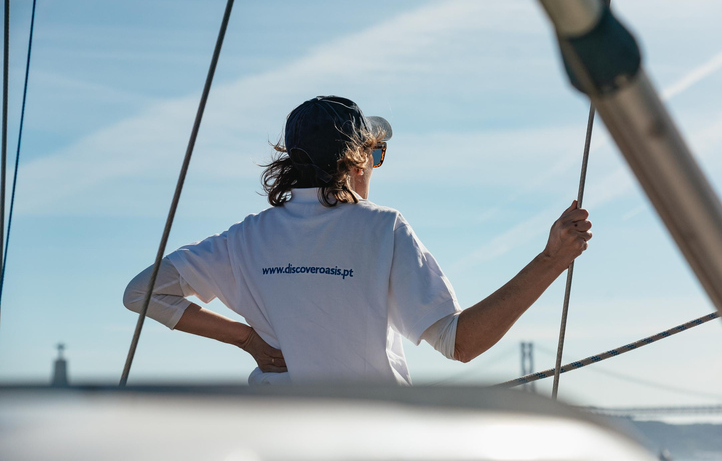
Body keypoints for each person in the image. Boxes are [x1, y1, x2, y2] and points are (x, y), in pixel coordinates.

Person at [124, 95, 592, 385]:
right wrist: (551, 259)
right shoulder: (383, 229)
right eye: (377, 153)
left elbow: (142, 293)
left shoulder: (245, 237)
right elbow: (460, 343)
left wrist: (249, 340)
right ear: (356, 162)